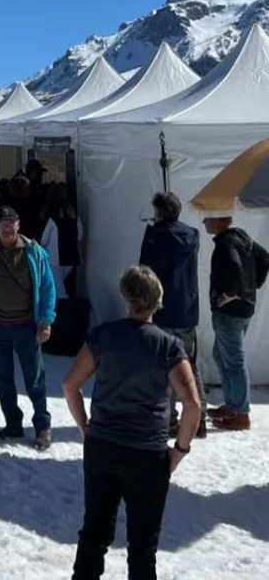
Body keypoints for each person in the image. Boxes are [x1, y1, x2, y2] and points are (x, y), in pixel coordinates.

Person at [63, 265, 202, 580]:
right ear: (158, 300)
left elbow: (70, 385)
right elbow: (193, 404)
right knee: (142, 546)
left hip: (103, 447)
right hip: (147, 455)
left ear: (124, 297)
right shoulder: (169, 346)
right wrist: (180, 449)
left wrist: (86, 428)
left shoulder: (102, 336)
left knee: (94, 533)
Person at [0, 206, 58, 450]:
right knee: (2, 378)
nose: (7, 227)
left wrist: (46, 321)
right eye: (2, 223)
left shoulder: (34, 252)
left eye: (11, 222)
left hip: (27, 326)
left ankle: (43, 426)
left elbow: (48, 288)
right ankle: (13, 423)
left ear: (18, 225)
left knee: (35, 379)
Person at [138, 191, 206, 437]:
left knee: (164, 368)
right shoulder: (192, 235)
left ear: (159, 212)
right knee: (190, 366)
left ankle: (169, 420)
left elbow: (143, 272)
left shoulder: (155, 237)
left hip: (163, 311)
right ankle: (199, 418)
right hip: (187, 310)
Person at [203, 213, 269, 431]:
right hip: (244, 309)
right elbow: (265, 258)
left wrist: (232, 292)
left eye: (207, 217)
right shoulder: (242, 236)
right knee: (220, 355)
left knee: (233, 360)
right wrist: (253, 286)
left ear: (218, 219)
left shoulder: (226, 242)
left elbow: (234, 265)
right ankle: (233, 404)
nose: (204, 222)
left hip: (229, 313)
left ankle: (241, 413)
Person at [39, 183, 82, 299]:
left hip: (54, 257)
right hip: (71, 257)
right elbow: (80, 235)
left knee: (58, 290)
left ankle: (62, 308)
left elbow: (43, 240)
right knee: (60, 285)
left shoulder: (51, 217)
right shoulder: (74, 216)